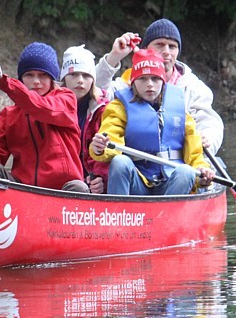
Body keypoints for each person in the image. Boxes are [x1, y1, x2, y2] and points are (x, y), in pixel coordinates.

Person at [0, 42, 89, 193]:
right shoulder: (9, 115)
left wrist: (3, 81)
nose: (36, 81)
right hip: (23, 189)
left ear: (52, 79)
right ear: (21, 79)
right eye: (29, 75)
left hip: (62, 190)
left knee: (79, 187)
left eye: (43, 75)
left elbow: (40, 107)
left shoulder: (66, 99)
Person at [89, 49, 214, 196]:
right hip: (138, 181)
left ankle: (168, 216)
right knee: (120, 161)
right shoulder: (118, 107)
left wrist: (202, 172)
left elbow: (195, 154)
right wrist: (100, 148)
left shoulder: (179, 108)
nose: (149, 84)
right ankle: (118, 212)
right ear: (133, 82)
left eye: (155, 79)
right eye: (143, 79)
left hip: (171, 182)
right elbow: (110, 140)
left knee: (186, 171)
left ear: (163, 81)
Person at [96, 18, 224, 155]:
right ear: (145, 49)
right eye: (159, 45)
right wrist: (114, 57)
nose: (166, 51)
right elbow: (96, 92)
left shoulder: (193, 87)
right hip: (134, 165)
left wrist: (207, 139)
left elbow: (210, 123)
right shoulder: (126, 83)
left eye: (172, 46)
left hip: (179, 164)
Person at [59, 44, 111, 194]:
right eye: (74, 75)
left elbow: (106, 151)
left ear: (93, 80)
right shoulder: (52, 106)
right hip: (59, 177)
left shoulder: (103, 110)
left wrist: (101, 178)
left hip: (89, 180)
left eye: (86, 75)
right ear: (64, 78)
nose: (80, 80)